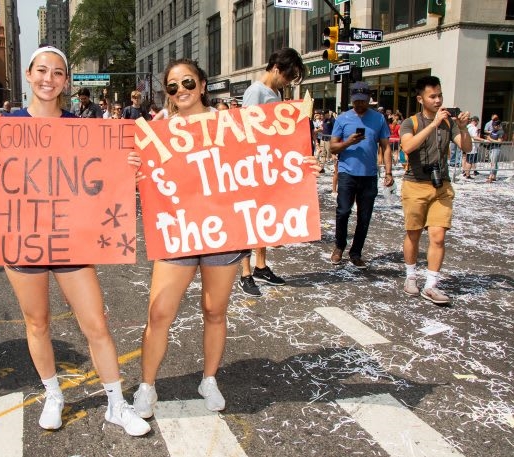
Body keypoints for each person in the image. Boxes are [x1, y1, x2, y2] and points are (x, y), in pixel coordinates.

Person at [0, 46, 149, 436]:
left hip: (73, 240)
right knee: (37, 323)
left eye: (57, 73)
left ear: (66, 81)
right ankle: (54, 394)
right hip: (22, 240)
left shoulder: (85, 128)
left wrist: (128, 170)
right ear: (29, 74)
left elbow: (104, 180)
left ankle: (116, 404)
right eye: (41, 71)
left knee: (96, 323)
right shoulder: (3, 125)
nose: (48, 79)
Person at [132, 57, 319, 419]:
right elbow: (140, 178)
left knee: (214, 311)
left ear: (202, 85)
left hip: (223, 232)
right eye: (173, 86)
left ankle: (210, 379)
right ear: (166, 93)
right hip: (179, 232)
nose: (181, 91)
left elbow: (268, 160)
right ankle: (146, 386)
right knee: (159, 313)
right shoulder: (157, 131)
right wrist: (133, 165)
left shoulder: (230, 124)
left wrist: (301, 163)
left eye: (188, 83)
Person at [237, 47, 306, 297]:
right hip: (253, 164)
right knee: (250, 219)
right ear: (276, 69)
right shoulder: (256, 91)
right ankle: (245, 273)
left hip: (268, 164)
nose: (288, 82)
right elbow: (246, 131)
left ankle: (260, 266)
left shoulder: (274, 92)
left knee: (264, 217)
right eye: (288, 76)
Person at [399, 75, 471, 305]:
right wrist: (433, 125)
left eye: (440, 95)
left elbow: (467, 147)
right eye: (433, 96)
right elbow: (408, 146)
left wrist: (462, 127)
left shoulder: (449, 123)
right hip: (415, 185)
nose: (438, 100)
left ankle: (431, 285)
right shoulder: (411, 122)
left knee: (438, 236)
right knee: (414, 233)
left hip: (441, 185)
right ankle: (411, 276)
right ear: (421, 99)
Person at [329, 81, 394, 269]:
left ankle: (356, 252)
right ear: (352, 99)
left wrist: (388, 172)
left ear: (369, 99)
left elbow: (386, 147)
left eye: (363, 101)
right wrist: (348, 142)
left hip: (368, 175)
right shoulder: (342, 119)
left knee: (364, 217)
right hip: (347, 173)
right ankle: (339, 246)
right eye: (356, 101)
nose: (359, 105)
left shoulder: (379, 119)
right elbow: (333, 147)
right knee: (342, 212)